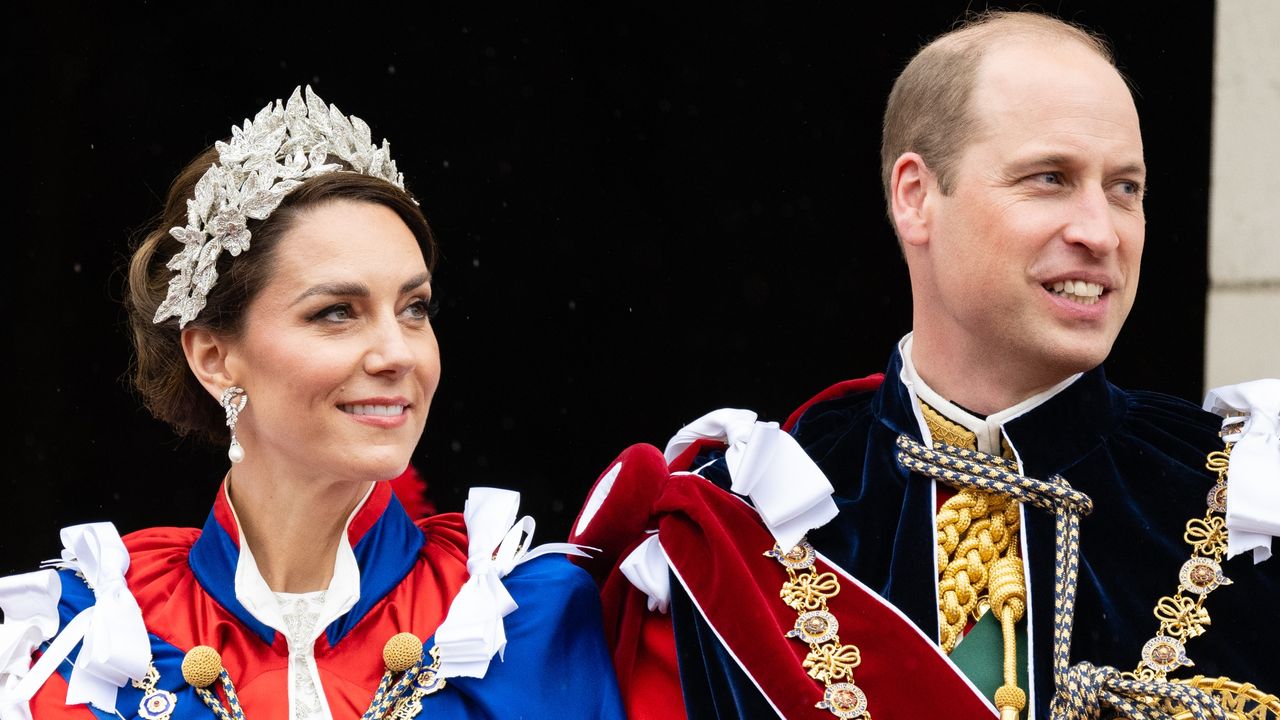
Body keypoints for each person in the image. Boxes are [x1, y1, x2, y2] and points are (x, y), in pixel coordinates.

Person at [569, 11, 1280, 720]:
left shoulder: (1254, 509)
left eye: (1125, 187)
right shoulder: (732, 528)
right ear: (915, 197)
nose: (1101, 231)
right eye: (1049, 178)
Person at [0, 87, 624, 720]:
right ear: (214, 358)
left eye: (414, 309)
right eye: (336, 313)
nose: (397, 353)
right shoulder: (89, 641)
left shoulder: (524, 615)